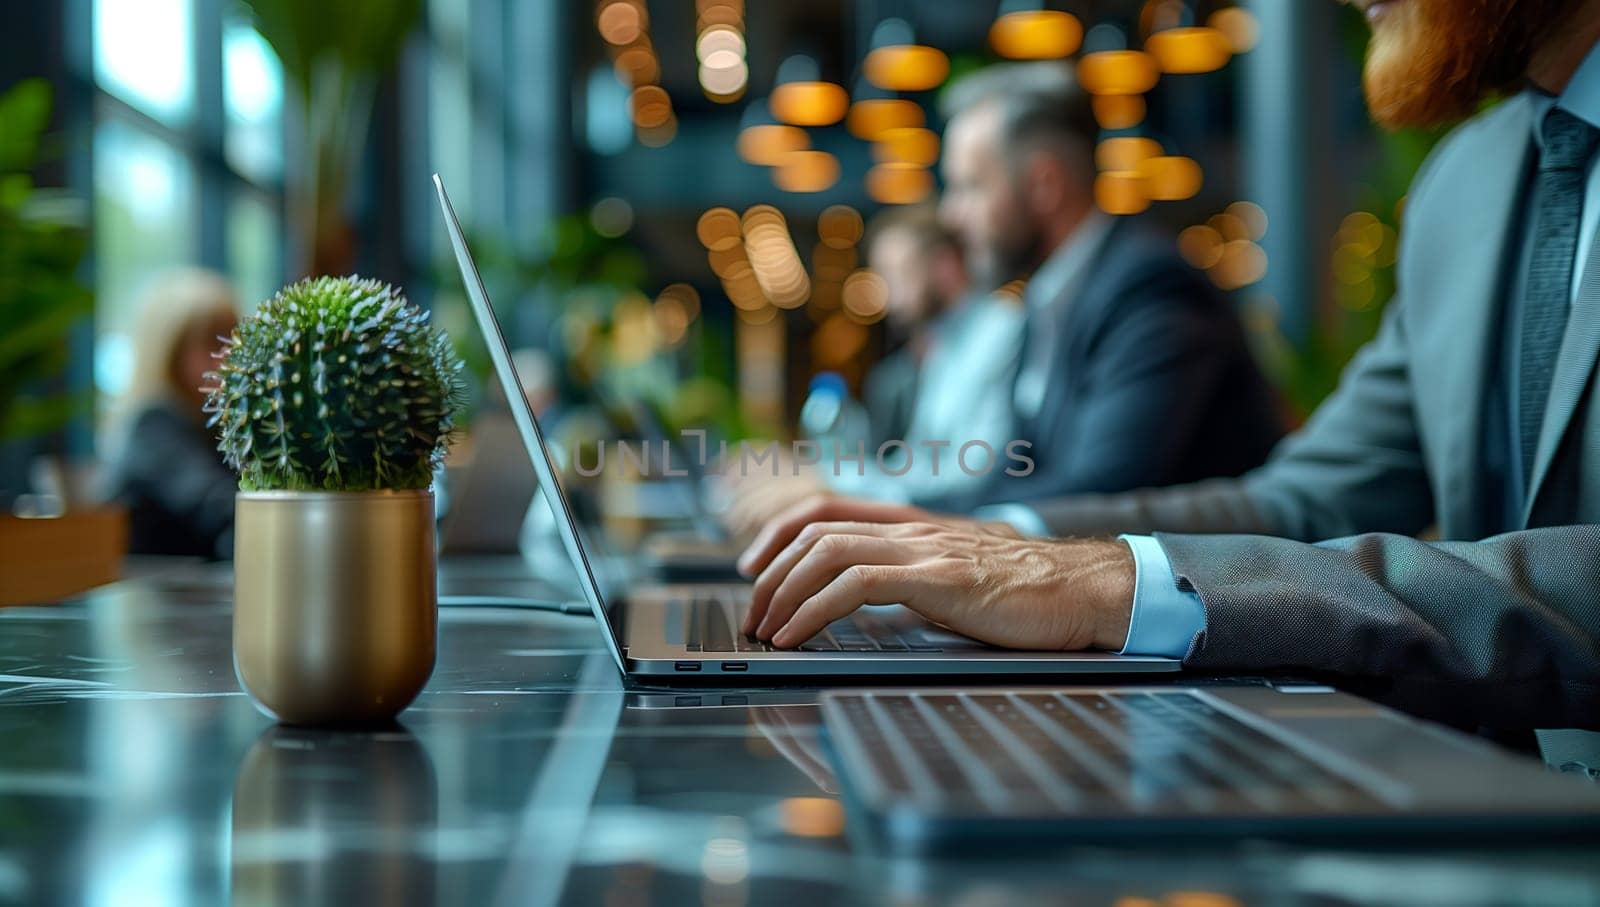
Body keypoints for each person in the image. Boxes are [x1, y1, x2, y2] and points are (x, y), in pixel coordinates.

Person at [734, 0, 1600, 748]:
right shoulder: (1467, 181)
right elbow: (1302, 499)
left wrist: (1122, 578)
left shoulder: (1146, 286)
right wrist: (991, 540)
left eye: (967, 186)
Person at [722, 206, 1025, 532]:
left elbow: (971, 475)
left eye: (898, 274)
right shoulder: (942, 346)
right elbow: (915, 466)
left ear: (944, 268)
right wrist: (815, 472)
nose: (887, 295)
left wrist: (829, 483)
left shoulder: (997, 330)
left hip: (974, 533)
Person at [105, 269, 241, 559]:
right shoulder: (152, 426)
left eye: (235, 338)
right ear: (171, 352)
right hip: (157, 597)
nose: (230, 354)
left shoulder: (213, 426)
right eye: (215, 342)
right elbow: (217, 505)